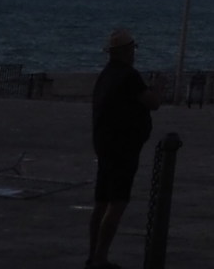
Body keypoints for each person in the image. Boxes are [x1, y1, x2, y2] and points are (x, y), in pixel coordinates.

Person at [88, 28, 162, 269]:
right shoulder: (129, 76)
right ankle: (100, 257)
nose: (134, 54)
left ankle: (93, 254)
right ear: (126, 51)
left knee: (101, 201)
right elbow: (152, 103)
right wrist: (157, 88)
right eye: (132, 49)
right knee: (117, 202)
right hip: (122, 148)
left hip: (104, 145)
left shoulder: (106, 75)